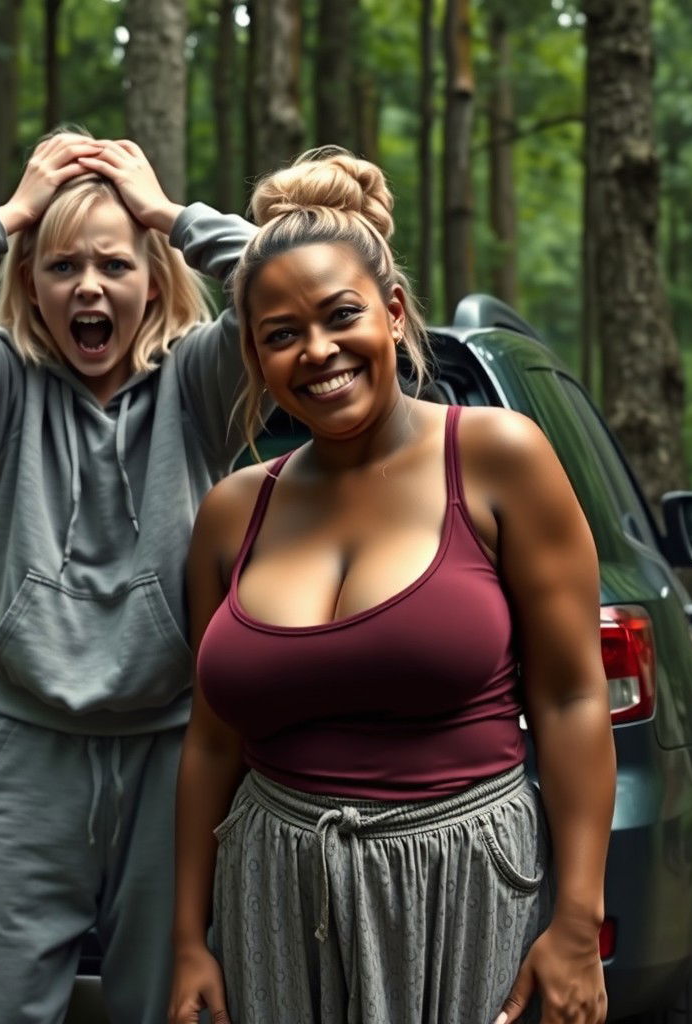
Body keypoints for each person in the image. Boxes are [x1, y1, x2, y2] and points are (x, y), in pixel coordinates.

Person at [168, 147, 616, 1024]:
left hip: (460, 878)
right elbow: (212, 744)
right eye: (281, 334)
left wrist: (576, 923)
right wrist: (190, 938)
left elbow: (571, 699)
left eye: (342, 315)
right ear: (254, 357)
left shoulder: (497, 457)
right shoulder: (231, 512)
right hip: (273, 885)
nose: (318, 351)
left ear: (395, 312)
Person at [0, 128, 260, 1024]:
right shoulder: (1, 386)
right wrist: (9, 214)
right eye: (62, 265)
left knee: (172, 1008)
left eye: (115, 264)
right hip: (30, 754)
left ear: (155, 279)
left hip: (177, 754)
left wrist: (170, 214)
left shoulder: (199, 383)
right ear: (31, 283)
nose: (88, 287)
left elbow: (286, 279)